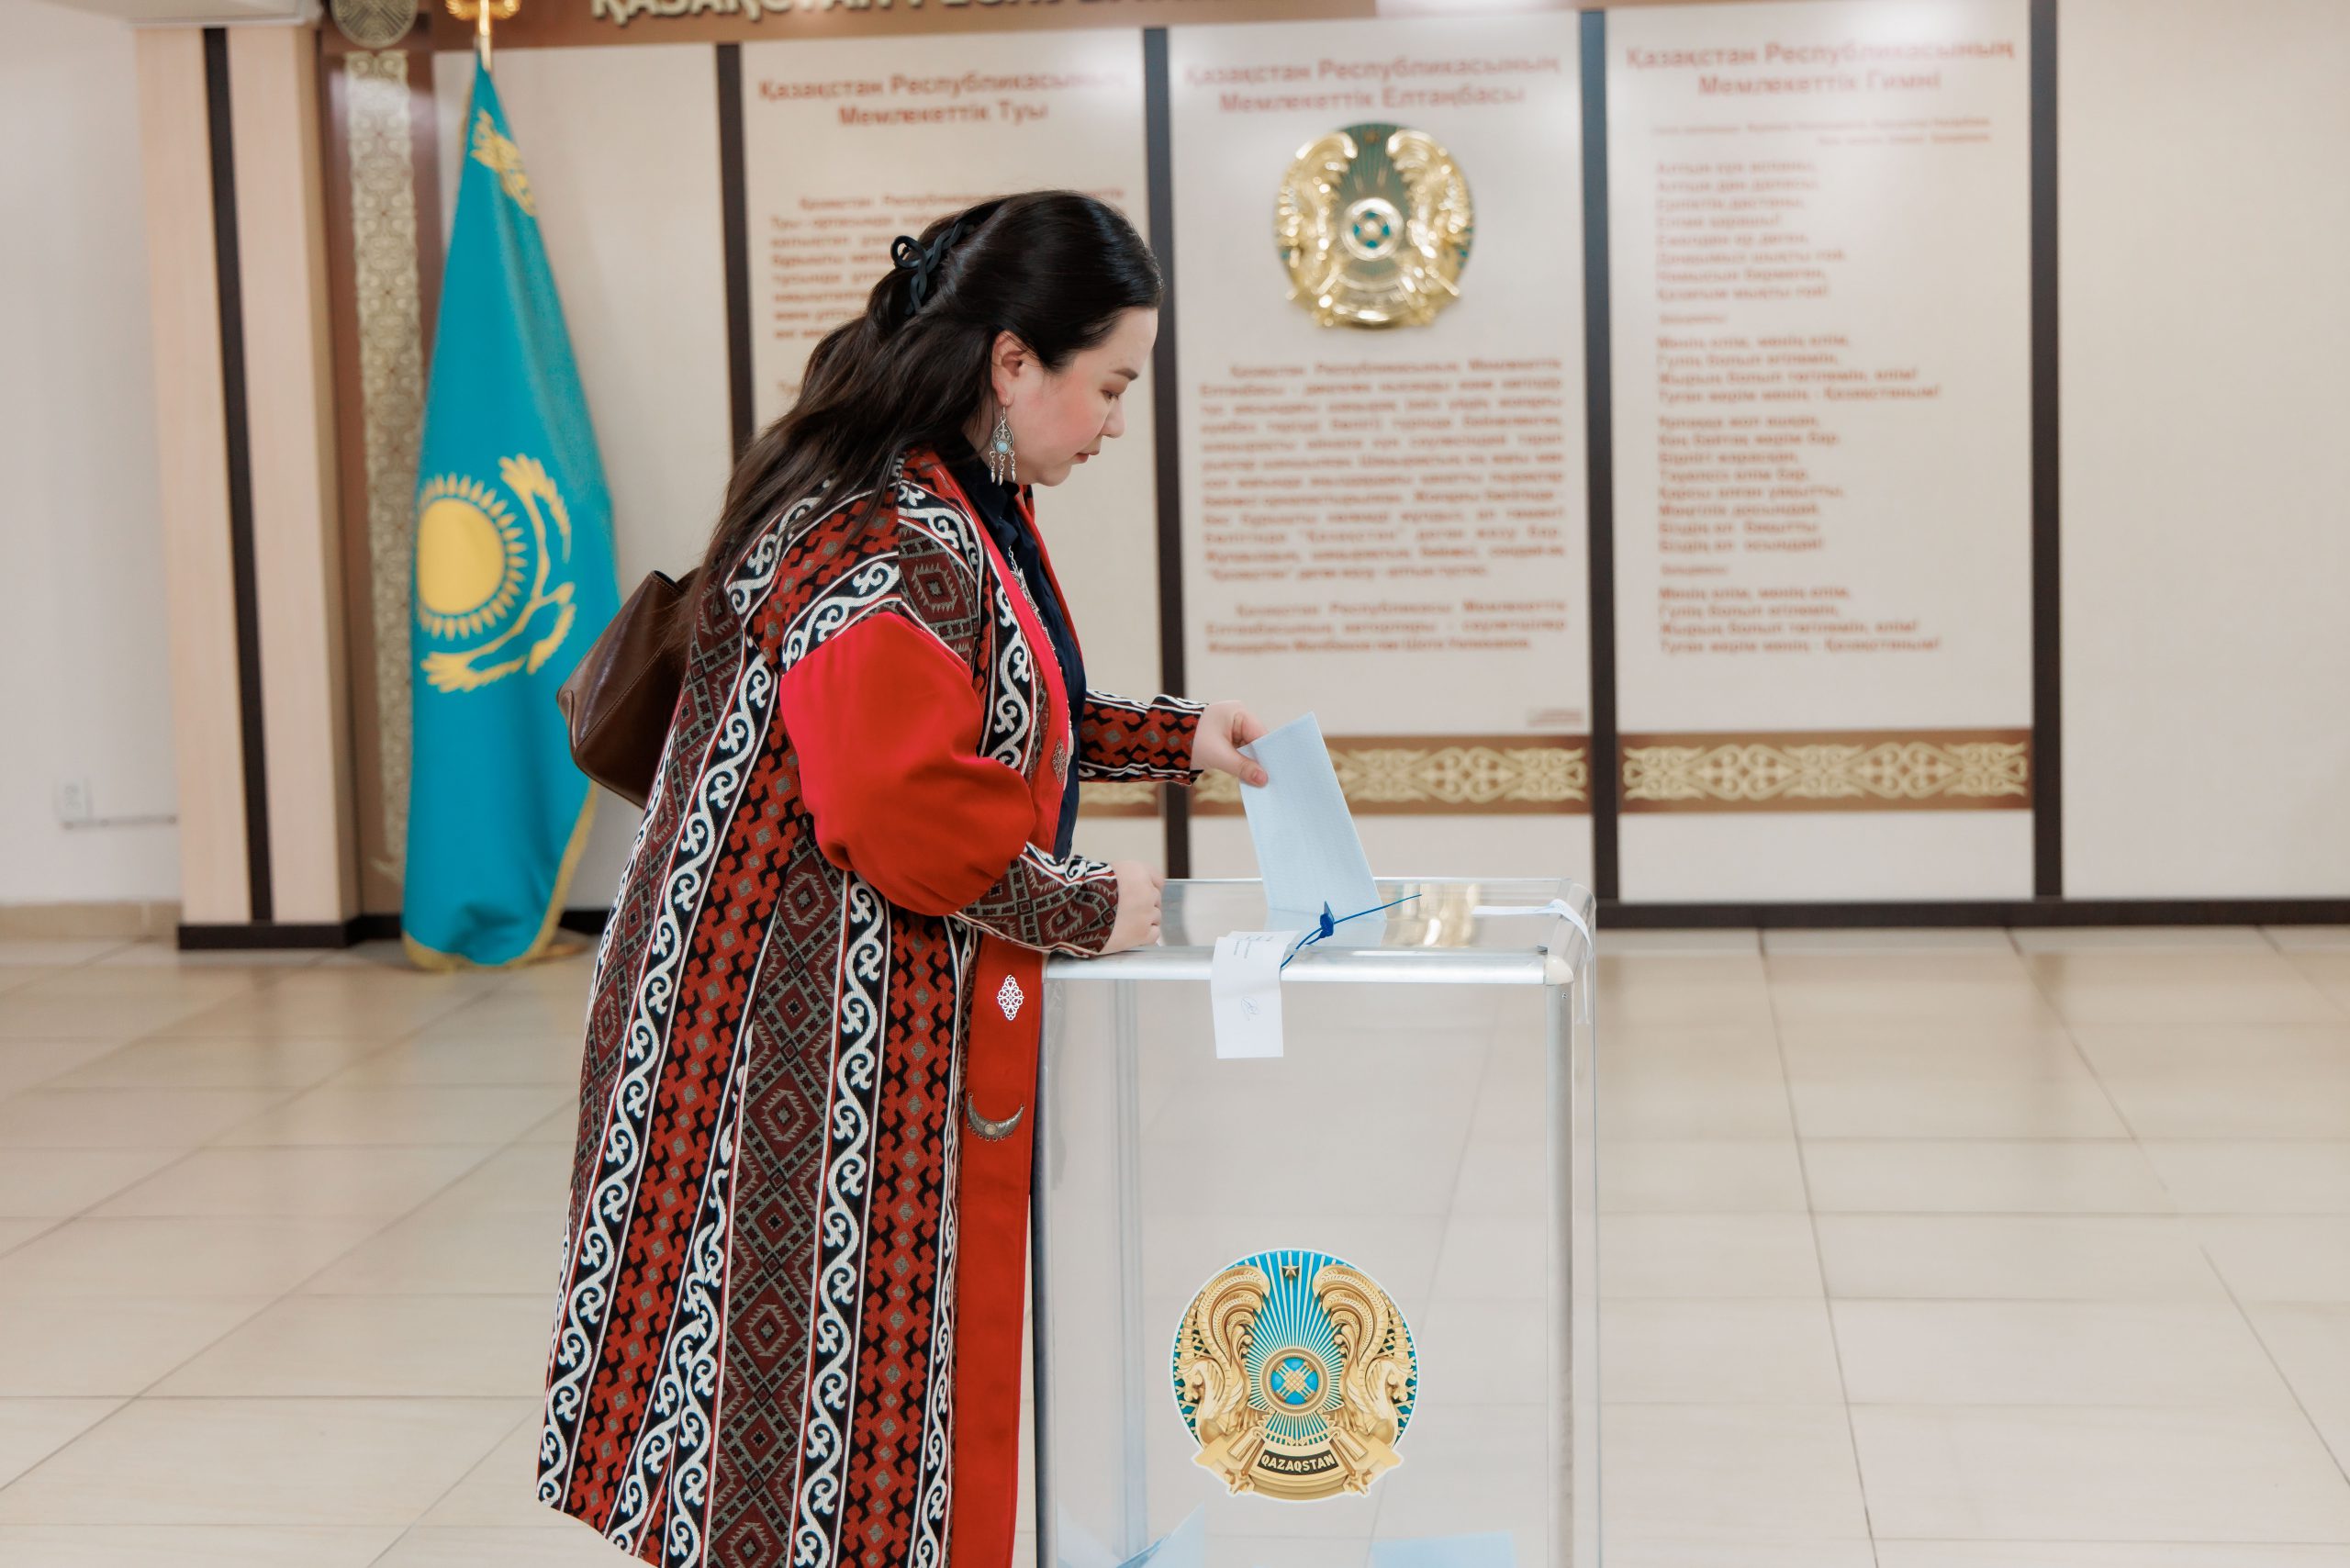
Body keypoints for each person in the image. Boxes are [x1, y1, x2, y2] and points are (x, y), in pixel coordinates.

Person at [534, 190, 1266, 1568]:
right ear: (1013, 362)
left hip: (793, 1010)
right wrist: (1077, 907)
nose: (1115, 423)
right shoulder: (890, 532)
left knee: (829, 1420)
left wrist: (1178, 740)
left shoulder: (933, 499)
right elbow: (894, 801)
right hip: (787, 1044)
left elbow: (986, 706)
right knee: (798, 1429)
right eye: (1110, 386)